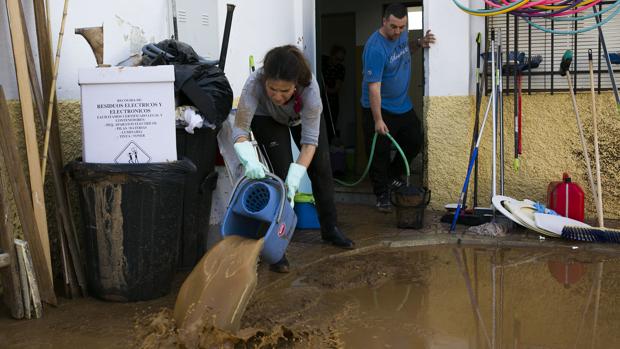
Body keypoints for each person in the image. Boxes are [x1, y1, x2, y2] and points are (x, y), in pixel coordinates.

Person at [232, 45, 355, 273]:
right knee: (279, 176)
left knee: (321, 168)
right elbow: (239, 130)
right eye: (272, 89)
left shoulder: (310, 91)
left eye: (285, 91)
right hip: (267, 119)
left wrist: (297, 175)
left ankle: (330, 228)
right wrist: (248, 157)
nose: (278, 96)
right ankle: (277, 249)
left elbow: (310, 144)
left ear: (296, 84)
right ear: (265, 80)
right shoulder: (254, 83)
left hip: (301, 121)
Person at [361, 3, 436, 213]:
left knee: (414, 140)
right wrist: (377, 119)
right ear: (384, 21)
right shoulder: (375, 48)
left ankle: (393, 175)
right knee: (379, 152)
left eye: (402, 27)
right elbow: (373, 88)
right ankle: (381, 194)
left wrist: (419, 43)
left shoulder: (401, 35)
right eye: (393, 27)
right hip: (378, 107)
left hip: (402, 105)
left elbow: (405, 49)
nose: (398, 32)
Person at [321, 45, 346, 142]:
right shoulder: (322, 60)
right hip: (319, 98)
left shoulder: (340, 68)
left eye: (341, 60)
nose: (338, 62)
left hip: (331, 100)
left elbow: (336, 88)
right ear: (331, 55)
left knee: (330, 125)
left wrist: (326, 90)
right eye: (337, 58)